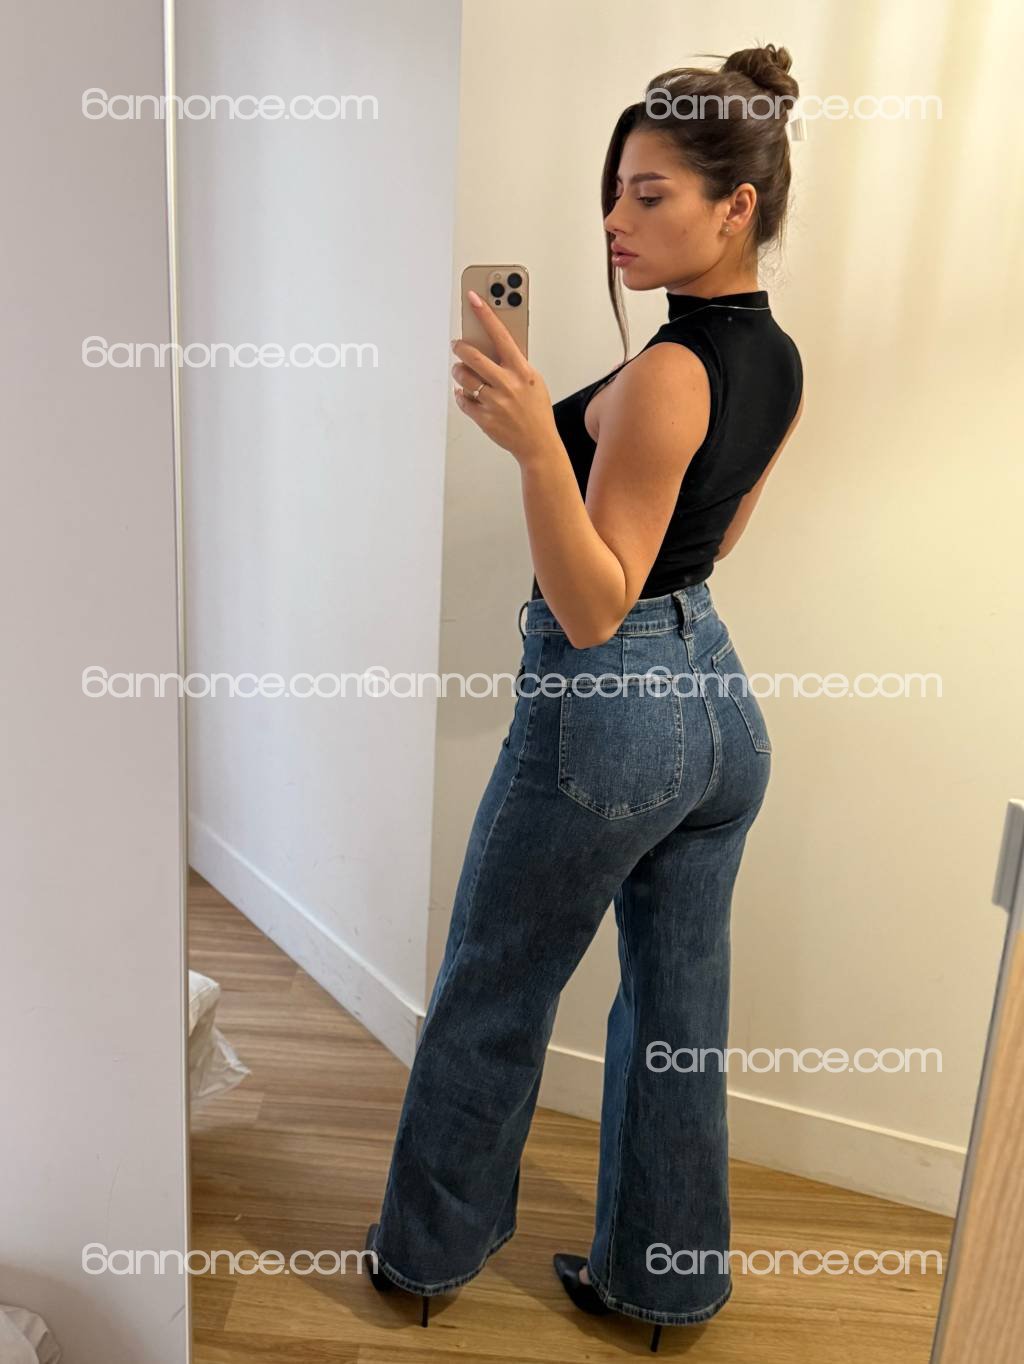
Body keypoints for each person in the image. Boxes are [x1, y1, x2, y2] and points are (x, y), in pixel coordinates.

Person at [366, 42, 805, 1353]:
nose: (617, 219)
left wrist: (529, 449)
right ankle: (662, 1286)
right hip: (718, 710)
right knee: (680, 1016)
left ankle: (423, 1258)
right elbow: (709, 549)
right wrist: (554, 430)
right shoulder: (777, 357)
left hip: (612, 714)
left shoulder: (670, 371)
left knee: (495, 985)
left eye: (651, 194)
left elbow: (597, 604)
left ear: (736, 205)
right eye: (614, 190)